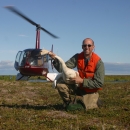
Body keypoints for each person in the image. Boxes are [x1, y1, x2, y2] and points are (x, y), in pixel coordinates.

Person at [48, 38, 105, 111]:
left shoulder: (99, 63)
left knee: (86, 107)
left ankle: (95, 100)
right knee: (60, 85)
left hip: (90, 90)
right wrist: (55, 59)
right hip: (78, 87)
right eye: (84, 45)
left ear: (93, 47)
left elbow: (99, 83)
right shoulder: (77, 57)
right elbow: (62, 69)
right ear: (82, 47)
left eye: (89, 45)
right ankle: (68, 103)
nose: (87, 47)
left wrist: (82, 81)